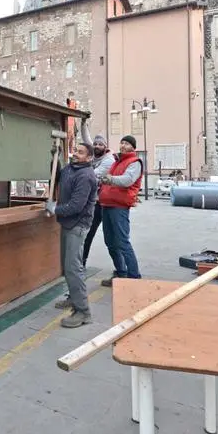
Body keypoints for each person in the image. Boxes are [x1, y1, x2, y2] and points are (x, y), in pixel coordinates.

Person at [46, 142, 98, 328]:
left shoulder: (86, 176)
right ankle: (73, 298)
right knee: (67, 266)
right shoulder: (72, 168)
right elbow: (59, 176)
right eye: (75, 150)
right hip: (67, 223)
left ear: (89, 157)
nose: (76, 154)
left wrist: (55, 209)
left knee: (73, 267)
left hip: (77, 225)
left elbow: (76, 206)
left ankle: (83, 312)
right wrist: (55, 159)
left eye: (81, 152)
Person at [98, 135, 143, 286]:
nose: (123, 146)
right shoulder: (117, 161)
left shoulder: (134, 162)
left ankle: (134, 277)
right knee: (110, 242)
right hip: (107, 204)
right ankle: (121, 273)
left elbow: (127, 180)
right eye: (122, 143)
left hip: (119, 207)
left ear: (133, 147)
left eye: (127, 144)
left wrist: (109, 179)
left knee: (122, 242)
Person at [81, 135, 116, 267]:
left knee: (112, 238)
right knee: (88, 233)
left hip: (106, 203)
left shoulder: (108, 160)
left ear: (105, 147)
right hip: (96, 202)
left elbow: (92, 175)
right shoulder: (95, 157)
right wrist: (84, 123)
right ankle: (82, 262)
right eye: (95, 144)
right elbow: (87, 141)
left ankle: (122, 270)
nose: (97, 146)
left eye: (100, 144)